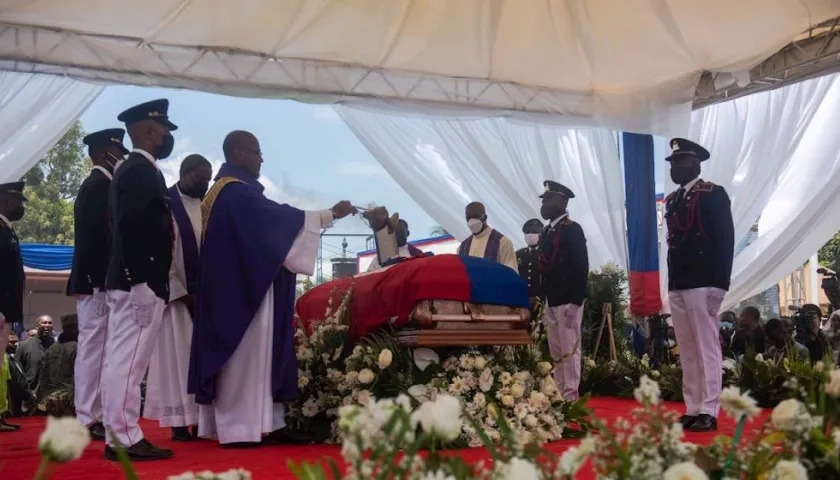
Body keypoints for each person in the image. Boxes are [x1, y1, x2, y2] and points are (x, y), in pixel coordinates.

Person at [189, 130, 357, 447]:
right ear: (238, 153)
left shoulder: (225, 193)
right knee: (247, 355)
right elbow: (276, 221)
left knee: (256, 355)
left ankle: (266, 422)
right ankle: (240, 427)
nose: (261, 158)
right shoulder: (236, 194)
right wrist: (330, 213)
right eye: (256, 152)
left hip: (237, 287)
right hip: (243, 293)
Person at [102, 99, 177, 461]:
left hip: (141, 280)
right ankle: (123, 438)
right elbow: (129, 229)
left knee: (128, 362)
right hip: (138, 283)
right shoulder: (137, 171)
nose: (166, 136)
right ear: (149, 132)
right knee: (127, 362)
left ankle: (122, 433)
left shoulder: (142, 170)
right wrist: (139, 282)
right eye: (164, 130)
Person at [663, 138, 735, 433]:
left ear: (696, 164)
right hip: (679, 282)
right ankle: (692, 406)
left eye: (681, 162)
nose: (676, 168)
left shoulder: (712, 194)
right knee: (688, 348)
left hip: (704, 282)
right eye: (673, 163)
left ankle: (709, 408)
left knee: (707, 348)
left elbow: (725, 240)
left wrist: (720, 284)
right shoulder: (673, 200)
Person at [144, 154, 211, 442]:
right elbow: (160, 253)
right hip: (178, 300)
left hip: (207, 300)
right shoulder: (166, 205)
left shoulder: (208, 207)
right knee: (177, 360)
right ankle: (179, 423)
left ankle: (203, 420)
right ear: (184, 173)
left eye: (207, 179)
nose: (204, 184)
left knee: (200, 360)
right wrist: (183, 294)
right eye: (199, 178)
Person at [68, 128, 128, 441]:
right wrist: (98, 282)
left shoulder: (105, 185)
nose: (121, 158)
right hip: (96, 281)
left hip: (100, 280)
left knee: (103, 349)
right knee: (94, 349)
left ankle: (97, 413)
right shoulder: (97, 186)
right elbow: (94, 240)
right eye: (118, 152)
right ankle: (87, 417)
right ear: (105, 153)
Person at [537, 180, 589, 401]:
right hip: (552, 298)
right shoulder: (548, 231)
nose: (545, 203)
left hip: (569, 299)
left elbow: (581, 265)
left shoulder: (571, 229)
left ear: (562, 201)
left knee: (569, 351)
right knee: (557, 351)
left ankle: (570, 397)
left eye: (550, 199)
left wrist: (576, 301)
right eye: (545, 199)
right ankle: (559, 394)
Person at [457, 202, 517, 271]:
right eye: (468, 218)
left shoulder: (502, 242)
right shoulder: (462, 247)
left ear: (485, 218)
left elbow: (511, 275)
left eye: (475, 216)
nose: (471, 222)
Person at [40, 313, 79, 395]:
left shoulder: (52, 348)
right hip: (71, 396)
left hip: (54, 395)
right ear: (75, 328)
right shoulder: (77, 347)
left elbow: (44, 376)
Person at [16, 315, 54, 391]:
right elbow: (17, 372)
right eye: (44, 323)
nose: (47, 325)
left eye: (50, 323)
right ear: (37, 326)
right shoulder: (24, 346)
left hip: (52, 394)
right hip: (31, 393)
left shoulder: (56, 346)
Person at [516, 218, 544, 301]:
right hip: (520, 299)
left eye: (535, 232)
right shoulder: (518, 254)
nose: (531, 235)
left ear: (541, 234)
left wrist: (539, 298)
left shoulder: (548, 254)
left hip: (541, 302)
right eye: (528, 232)